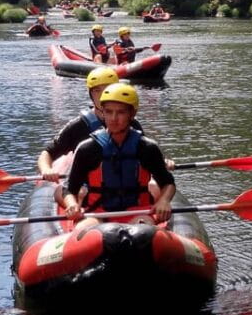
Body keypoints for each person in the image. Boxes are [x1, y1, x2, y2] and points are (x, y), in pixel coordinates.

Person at [63, 83, 175, 230]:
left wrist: (164, 200)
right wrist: (71, 204)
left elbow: (168, 182)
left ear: (132, 114)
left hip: (137, 212)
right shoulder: (88, 148)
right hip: (97, 214)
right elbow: (69, 189)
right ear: (103, 112)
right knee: (85, 232)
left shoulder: (147, 148)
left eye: (120, 112)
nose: (113, 118)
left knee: (144, 232)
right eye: (108, 112)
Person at [37, 67, 144, 182]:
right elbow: (47, 153)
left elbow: (147, 152)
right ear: (91, 94)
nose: (102, 95)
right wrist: (46, 169)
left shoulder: (131, 123)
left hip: (125, 185)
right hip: (88, 189)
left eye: (107, 89)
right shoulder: (79, 125)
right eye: (97, 90)